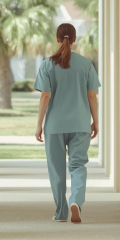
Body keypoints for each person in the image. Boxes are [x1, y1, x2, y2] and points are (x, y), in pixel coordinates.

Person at [34, 23, 101, 223]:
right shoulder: (86, 64)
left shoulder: (47, 65)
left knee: (56, 169)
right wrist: (95, 121)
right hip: (80, 124)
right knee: (78, 165)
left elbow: (45, 96)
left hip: (55, 125)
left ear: (57, 39)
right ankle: (76, 201)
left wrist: (39, 125)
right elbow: (92, 96)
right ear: (74, 40)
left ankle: (61, 212)